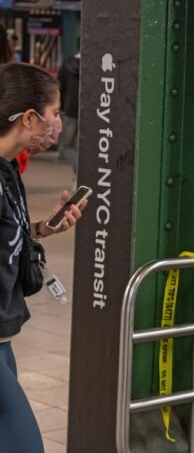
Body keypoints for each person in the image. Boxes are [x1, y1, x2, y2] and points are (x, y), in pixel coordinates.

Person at [0, 63, 85, 452]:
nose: (58, 123)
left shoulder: (8, 172)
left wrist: (42, 229)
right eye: (54, 113)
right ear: (30, 118)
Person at [57, 51, 80, 174]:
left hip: (70, 111)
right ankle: (81, 172)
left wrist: (60, 108)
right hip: (90, 114)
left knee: (65, 146)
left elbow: (60, 87)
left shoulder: (67, 65)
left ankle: (79, 171)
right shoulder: (94, 64)